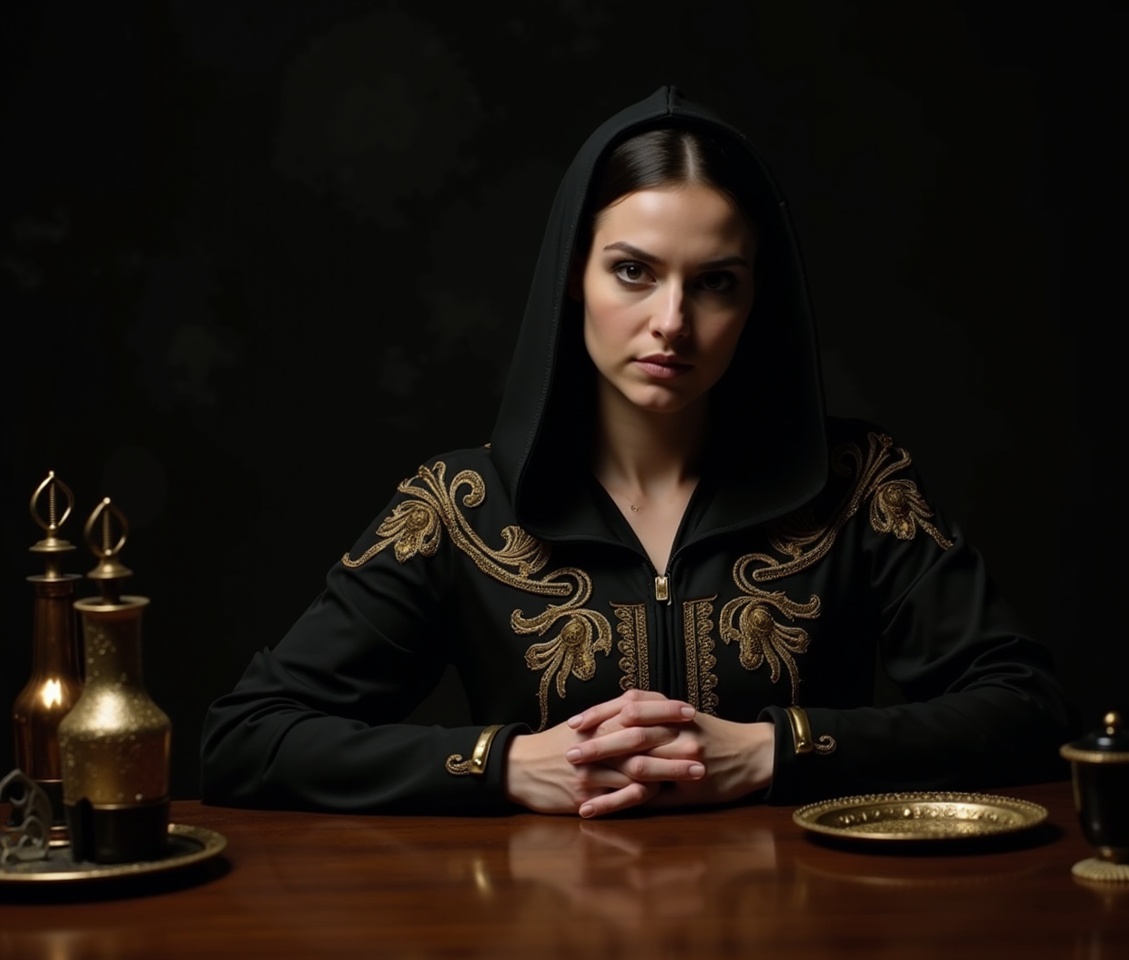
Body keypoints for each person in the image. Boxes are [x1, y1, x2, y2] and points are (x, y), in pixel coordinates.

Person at [200, 86, 1077, 818]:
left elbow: (1029, 711)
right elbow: (246, 738)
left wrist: (779, 750)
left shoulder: (858, 486)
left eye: (716, 284)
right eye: (633, 271)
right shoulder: (462, 509)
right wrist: (505, 764)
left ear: (757, 303)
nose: (671, 322)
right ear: (570, 275)